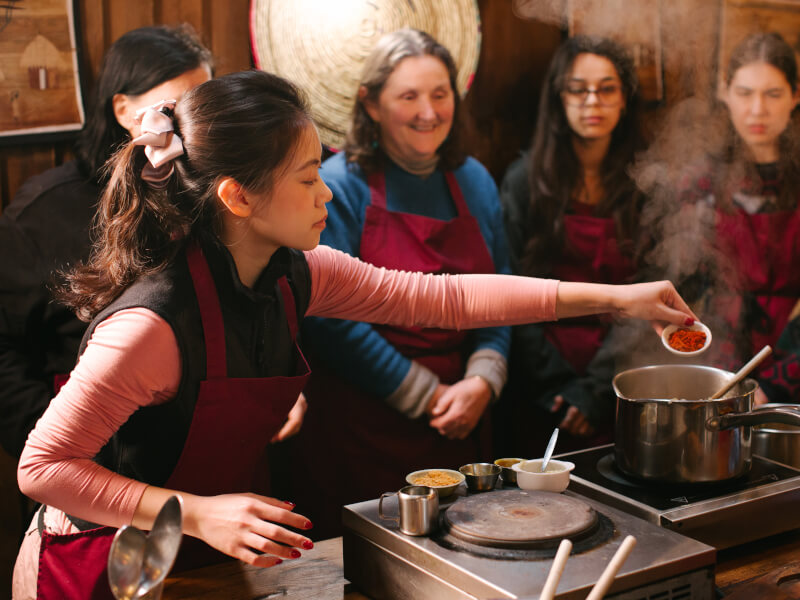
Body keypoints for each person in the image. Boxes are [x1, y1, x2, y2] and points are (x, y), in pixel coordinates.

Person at [13, 68, 697, 599]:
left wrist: (618, 299)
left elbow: (446, 299)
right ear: (238, 197)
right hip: (98, 567)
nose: (327, 194)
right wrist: (194, 512)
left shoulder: (296, 273)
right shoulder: (150, 326)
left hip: (205, 554)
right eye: (308, 178)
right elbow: (41, 470)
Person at [291, 28, 511, 538]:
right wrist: (422, 393)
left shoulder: (475, 179)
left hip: (462, 417)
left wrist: (482, 380)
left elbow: (501, 294)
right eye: (408, 96)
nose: (428, 112)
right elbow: (326, 315)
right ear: (371, 104)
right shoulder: (340, 184)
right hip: (364, 424)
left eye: (440, 94)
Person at [0, 24, 213, 460]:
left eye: (202, 106)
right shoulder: (43, 212)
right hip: (90, 452)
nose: (189, 125)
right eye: (173, 108)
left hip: (207, 435)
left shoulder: (207, 193)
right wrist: (56, 442)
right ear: (123, 109)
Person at [499, 36, 645, 454]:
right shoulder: (524, 180)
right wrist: (556, 386)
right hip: (542, 382)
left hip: (622, 376)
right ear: (559, 97)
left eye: (606, 88)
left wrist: (599, 387)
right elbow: (508, 285)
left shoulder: (646, 184)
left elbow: (653, 287)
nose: (591, 101)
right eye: (578, 88)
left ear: (625, 99)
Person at [675, 31, 800, 404]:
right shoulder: (701, 182)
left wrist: (775, 385)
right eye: (745, 93)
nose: (757, 109)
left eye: (773, 94)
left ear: (796, 94)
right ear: (724, 91)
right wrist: (731, 379)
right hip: (719, 372)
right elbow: (691, 292)